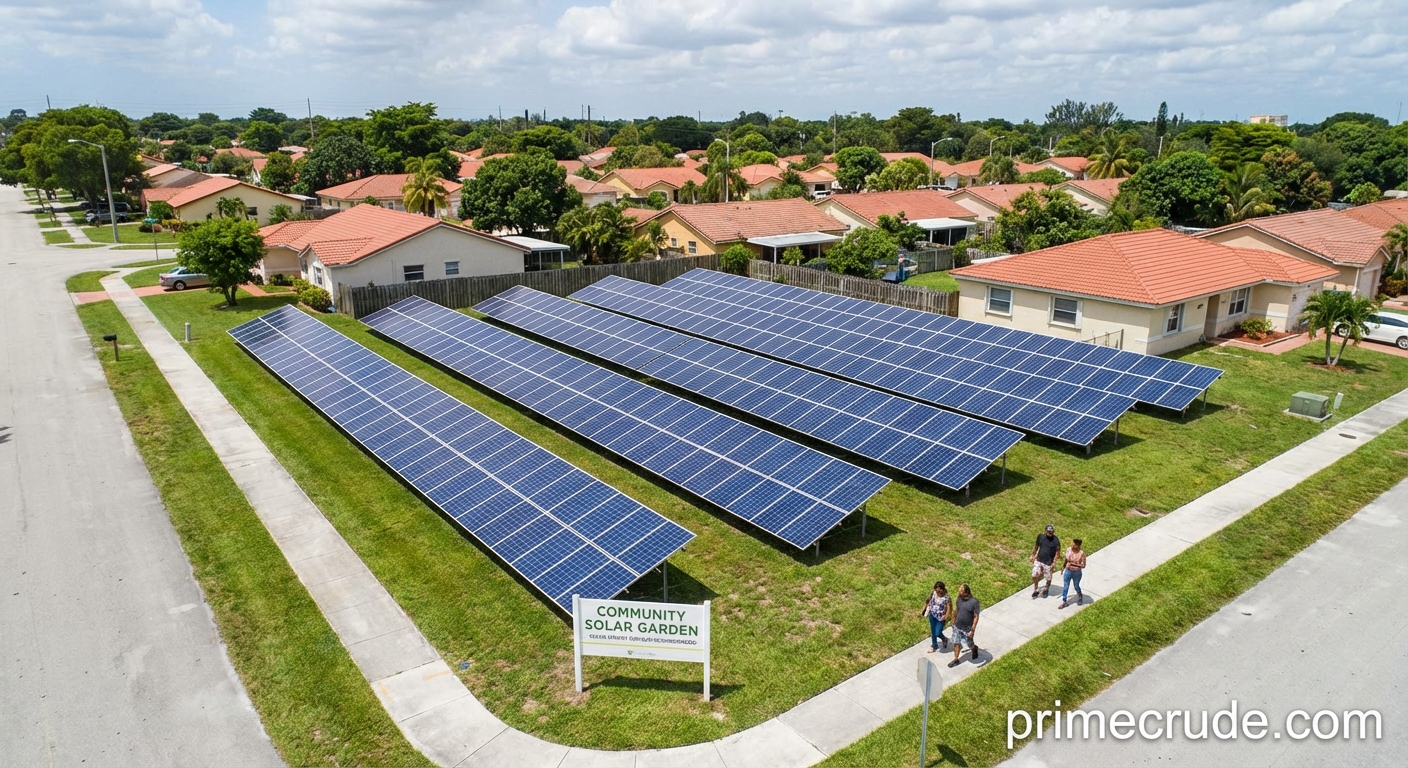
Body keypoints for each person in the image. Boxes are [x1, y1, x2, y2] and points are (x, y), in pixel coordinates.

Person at [948, 583, 981, 667]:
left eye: (961, 592)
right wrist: (953, 619)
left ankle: (974, 648)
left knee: (969, 644)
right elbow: (957, 609)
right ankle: (956, 659)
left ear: (966, 592)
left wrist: (972, 630)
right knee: (956, 642)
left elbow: (976, 616)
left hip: (967, 628)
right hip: (957, 626)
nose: (959, 594)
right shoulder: (959, 599)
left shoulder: (974, 602)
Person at [1031, 524, 1060, 599]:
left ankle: (1046, 588)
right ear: (1045, 531)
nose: (1049, 533)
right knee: (1034, 574)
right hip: (1039, 560)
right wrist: (1033, 555)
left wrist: (1054, 563)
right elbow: (1036, 546)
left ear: (1053, 532)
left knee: (1048, 578)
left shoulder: (1055, 540)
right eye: (1048, 531)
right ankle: (1036, 589)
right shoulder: (1040, 537)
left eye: (1051, 532)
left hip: (1048, 563)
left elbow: (1057, 552)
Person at [921, 581, 951, 652]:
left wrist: (945, 617)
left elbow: (949, 608)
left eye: (939, 590)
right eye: (936, 590)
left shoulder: (946, 598)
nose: (938, 592)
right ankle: (934, 645)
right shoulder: (933, 593)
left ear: (943, 589)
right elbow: (929, 600)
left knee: (937, 632)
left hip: (940, 618)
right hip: (932, 615)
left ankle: (944, 639)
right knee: (933, 631)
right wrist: (925, 609)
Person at [1060, 538, 1087, 609]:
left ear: (1078, 546)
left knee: (1076, 586)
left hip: (1077, 573)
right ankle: (1064, 601)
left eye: (1075, 544)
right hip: (1068, 571)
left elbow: (1083, 565)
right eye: (1073, 544)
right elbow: (1066, 559)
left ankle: (1080, 595)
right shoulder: (1069, 550)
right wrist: (1063, 567)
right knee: (1065, 586)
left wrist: (1073, 564)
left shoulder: (1082, 554)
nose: (1073, 545)